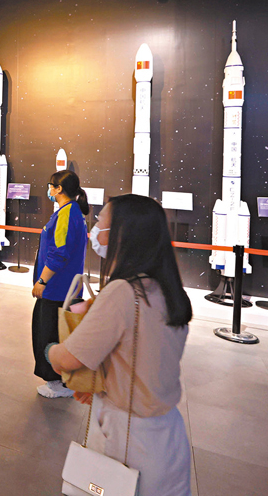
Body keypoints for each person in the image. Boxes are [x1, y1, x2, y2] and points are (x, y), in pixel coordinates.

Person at [48, 195, 193, 496]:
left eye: (101, 221)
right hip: (167, 436)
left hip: (129, 439)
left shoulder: (123, 292)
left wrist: (50, 351)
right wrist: (103, 383)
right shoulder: (168, 291)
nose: (95, 229)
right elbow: (140, 358)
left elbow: (69, 358)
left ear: (122, 234)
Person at [32, 170, 89, 398]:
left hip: (57, 289)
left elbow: (59, 253)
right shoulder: (71, 212)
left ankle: (57, 383)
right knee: (57, 334)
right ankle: (62, 381)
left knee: (49, 336)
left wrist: (42, 281)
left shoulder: (67, 214)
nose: (49, 189)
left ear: (59, 189)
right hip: (65, 289)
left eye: (51, 185)